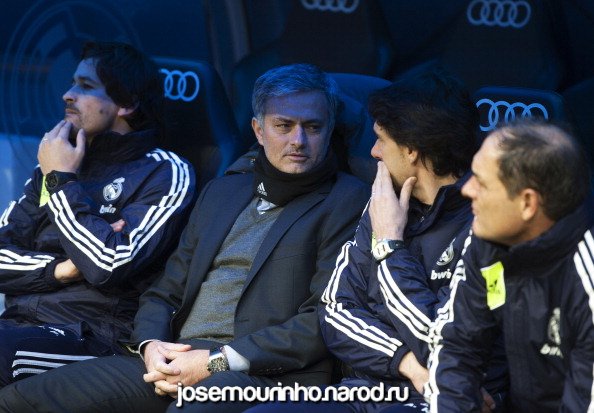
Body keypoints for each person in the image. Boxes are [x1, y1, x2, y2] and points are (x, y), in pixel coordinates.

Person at [0, 63, 370, 413]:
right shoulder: (223, 192)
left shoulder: (348, 199)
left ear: (328, 129)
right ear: (259, 131)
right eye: (284, 126)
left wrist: (215, 361)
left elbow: (324, 319)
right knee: (18, 401)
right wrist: (150, 346)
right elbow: (164, 292)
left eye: (313, 127)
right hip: (175, 357)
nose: (298, 140)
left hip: (264, 372)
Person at [0, 41, 195, 386]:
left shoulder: (165, 172)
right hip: (19, 324)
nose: (68, 94)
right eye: (72, 83)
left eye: (86, 86)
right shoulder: (54, 166)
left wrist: (62, 181)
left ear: (126, 103)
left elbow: (107, 264)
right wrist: (62, 269)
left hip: (97, 337)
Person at [313, 67, 506, 413]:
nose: (374, 152)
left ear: (412, 150)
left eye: (381, 139)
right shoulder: (385, 200)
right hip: (365, 392)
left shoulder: (491, 227)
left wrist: (390, 247)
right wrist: (408, 364)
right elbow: (334, 312)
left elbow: (446, 345)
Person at [427, 120, 594, 412]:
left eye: (482, 182)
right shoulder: (488, 244)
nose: (466, 189)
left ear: (528, 203)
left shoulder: (587, 278)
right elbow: (455, 347)